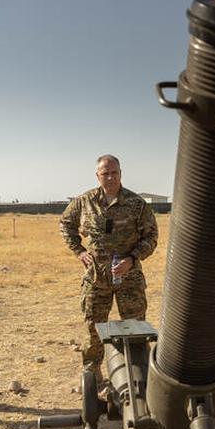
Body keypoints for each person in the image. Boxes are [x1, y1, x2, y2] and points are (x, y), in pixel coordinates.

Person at [60, 154, 158, 382]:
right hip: (96, 279)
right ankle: (93, 377)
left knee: (135, 329)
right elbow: (65, 224)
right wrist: (79, 251)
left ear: (121, 174)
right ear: (98, 175)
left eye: (114, 172)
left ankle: (137, 377)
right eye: (105, 173)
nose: (110, 177)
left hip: (129, 278)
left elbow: (152, 236)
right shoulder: (85, 201)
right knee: (93, 330)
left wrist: (132, 259)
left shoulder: (136, 204)